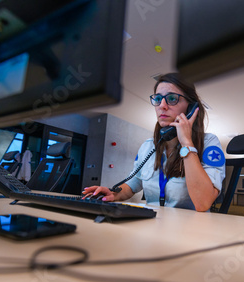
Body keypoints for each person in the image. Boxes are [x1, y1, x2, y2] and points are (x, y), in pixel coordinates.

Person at [82, 73, 226, 212]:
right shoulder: (148, 146)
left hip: (190, 231)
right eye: (158, 99)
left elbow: (203, 203)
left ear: (191, 107)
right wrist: (114, 194)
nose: (162, 105)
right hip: (152, 224)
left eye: (171, 98)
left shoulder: (208, 142)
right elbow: (133, 184)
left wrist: (186, 143)